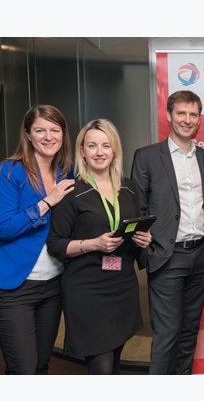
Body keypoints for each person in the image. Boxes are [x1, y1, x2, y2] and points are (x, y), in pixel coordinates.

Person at [47, 119, 152, 375]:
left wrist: (143, 240)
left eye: (106, 145)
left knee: (113, 363)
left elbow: (132, 231)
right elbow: (55, 244)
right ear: (82, 151)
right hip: (87, 290)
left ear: (114, 150)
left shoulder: (129, 187)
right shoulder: (71, 191)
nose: (99, 152)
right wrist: (94, 244)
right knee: (101, 367)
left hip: (122, 286)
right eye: (92, 146)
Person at [131, 90, 204, 374]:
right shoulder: (147, 156)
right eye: (181, 113)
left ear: (199, 119)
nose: (187, 120)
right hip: (167, 257)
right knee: (166, 334)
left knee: (189, 331)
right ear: (169, 115)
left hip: (201, 255)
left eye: (193, 114)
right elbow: (138, 208)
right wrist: (148, 250)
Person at [0, 104, 75, 374]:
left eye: (55, 130)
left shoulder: (66, 172)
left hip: (53, 284)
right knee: (23, 369)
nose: (48, 137)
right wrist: (46, 202)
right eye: (40, 130)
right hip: (15, 289)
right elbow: (4, 227)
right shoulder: (10, 171)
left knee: (42, 364)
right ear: (28, 134)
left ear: (63, 134)